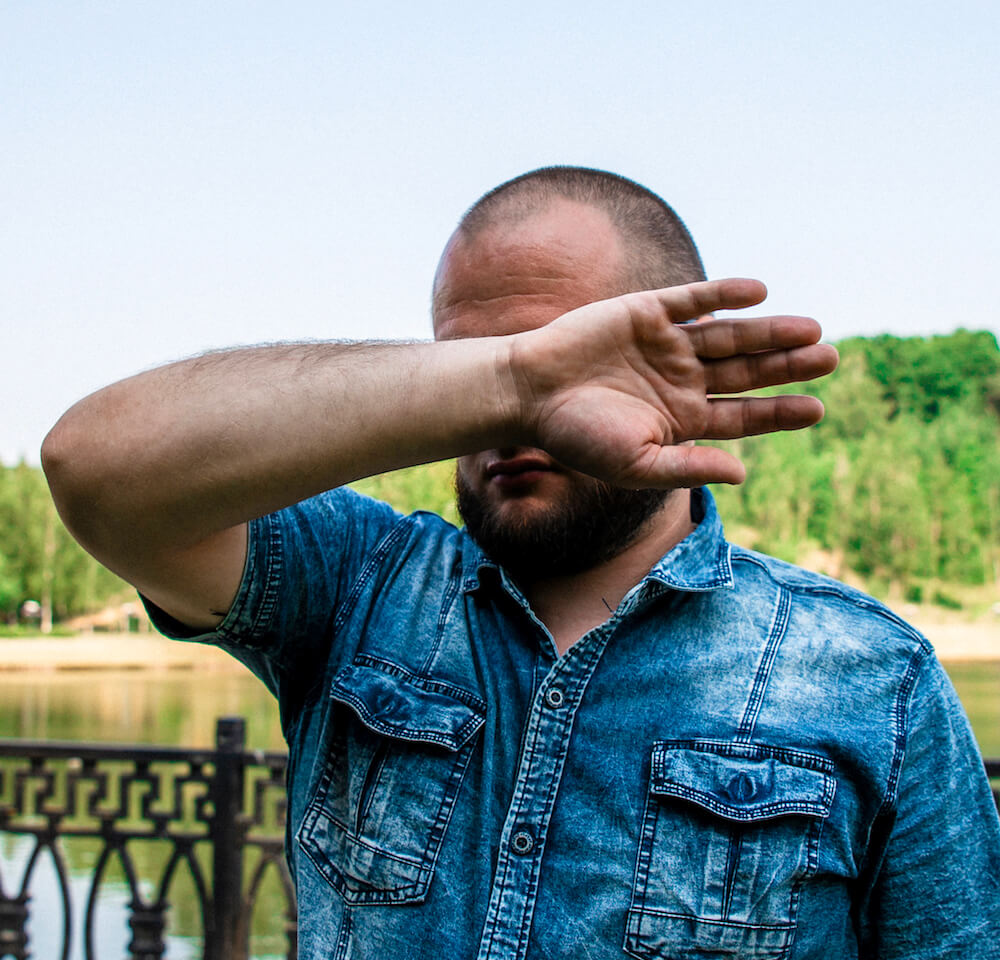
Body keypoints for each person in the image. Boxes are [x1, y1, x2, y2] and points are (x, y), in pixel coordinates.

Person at [43, 167, 999, 959]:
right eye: (476, 369)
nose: (520, 418)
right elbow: (96, 467)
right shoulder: (360, 586)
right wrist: (511, 380)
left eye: (568, 359)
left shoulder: (873, 677)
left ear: (686, 367)